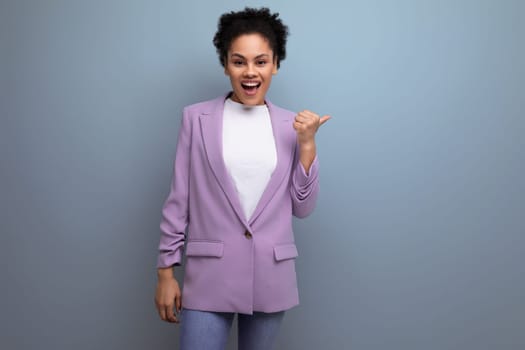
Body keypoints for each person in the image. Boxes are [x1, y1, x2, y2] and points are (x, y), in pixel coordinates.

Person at [155, 7, 330, 350]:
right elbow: (179, 200)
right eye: (239, 61)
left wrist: (307, 144)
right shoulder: (196, 118)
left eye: (261, 61)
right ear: (225, 65)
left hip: (271, 274)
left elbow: (303, 208)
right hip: (208, 275)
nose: (250, 72)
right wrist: (165, 272)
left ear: (275, 64)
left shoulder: (292, 126)